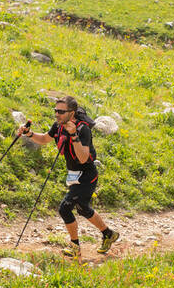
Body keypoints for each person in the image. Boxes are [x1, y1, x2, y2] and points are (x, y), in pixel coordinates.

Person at [18, 96, 119, 259]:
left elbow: (83, 158)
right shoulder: (58, 126)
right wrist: (29, 133)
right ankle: (109, 234)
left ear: (72, 113)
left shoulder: (83, 129)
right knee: (83, 208)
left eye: (61, 111)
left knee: (64, 208)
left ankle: (75, 247)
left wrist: (73, 135)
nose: (57, 114)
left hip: (87, 176)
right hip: (73, 174)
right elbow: (44, 139)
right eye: (56, 111)